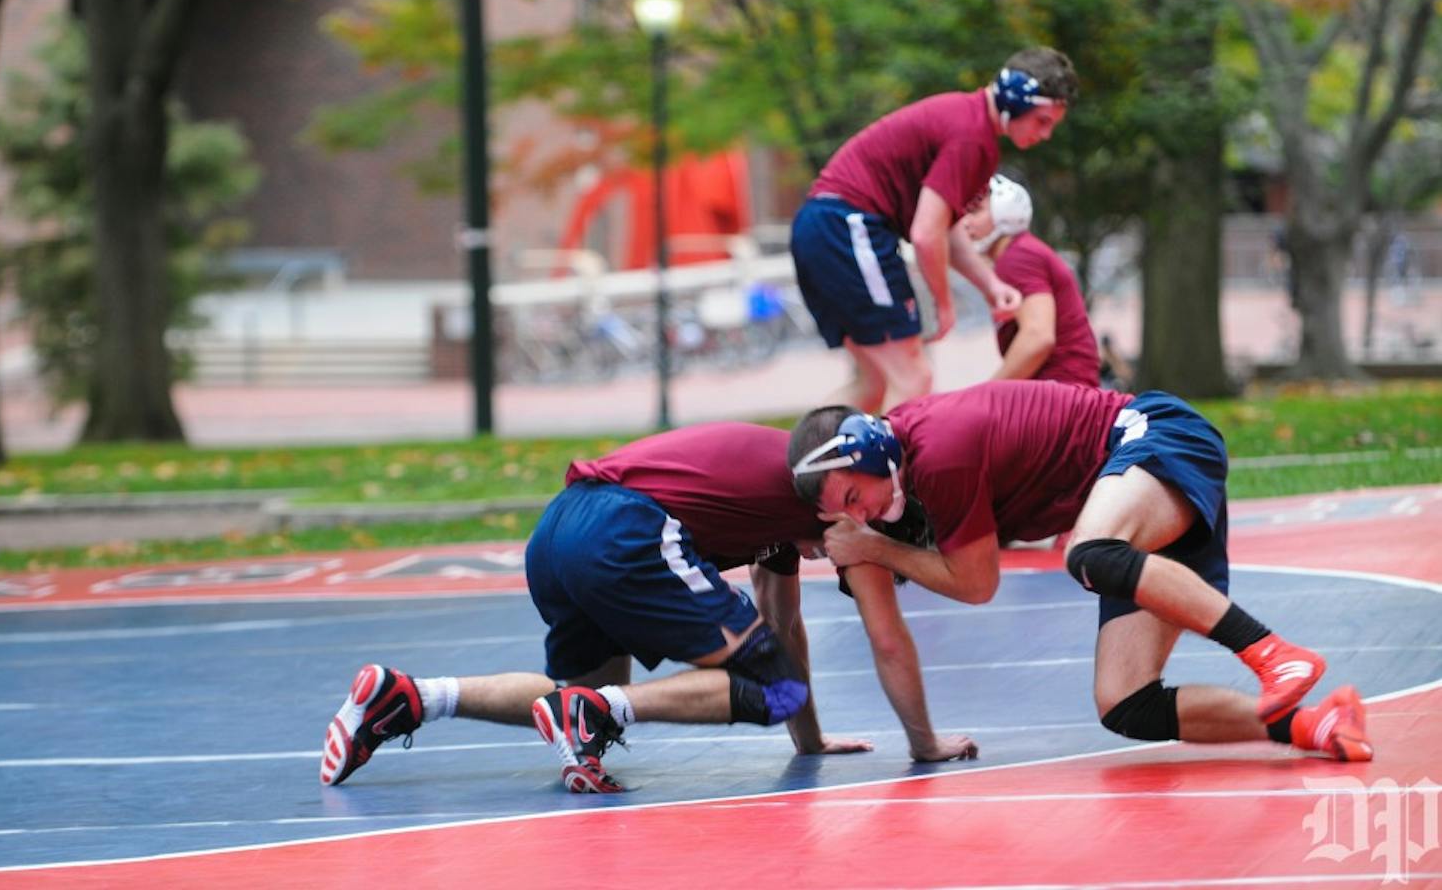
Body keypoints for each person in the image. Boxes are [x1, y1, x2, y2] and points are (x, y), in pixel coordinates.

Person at [786, 383, 1373, 764]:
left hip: (1156, 435)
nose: (861, 515)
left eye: (855, 495)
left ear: (866, 450)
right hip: (1135, 502)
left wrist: (876, 549)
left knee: (1088, 551)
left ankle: (1273, 653)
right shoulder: (908, 470)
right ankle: (1314, 725)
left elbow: (976, 583)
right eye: (847, 513)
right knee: (1125, 704)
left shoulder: (938, 453)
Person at [319, 423, 884, 795]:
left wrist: (810, 742)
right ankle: (598, 710)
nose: (843, 538)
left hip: (560, 528)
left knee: (578, 700)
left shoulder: (792, 512)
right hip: (621, 527)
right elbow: (779, 648)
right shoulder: (804, 493)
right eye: (858, 508)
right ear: (833, 489)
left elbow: (782, 622)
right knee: (773, 688)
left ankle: (410, 696)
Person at [789, 47, 1078, 412]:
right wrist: (944, 304)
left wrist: (989, 286)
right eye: (1042, 120)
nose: (1046, 134)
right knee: (913, 378)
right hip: (847, 228)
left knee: (875, 384)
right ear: (1015, 99)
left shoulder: (969, 124)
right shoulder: (972, 137)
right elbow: (927, 234)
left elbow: (945, 227)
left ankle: (804, 464)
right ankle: (891, 471)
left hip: (827, 227)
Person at [960, 174, 1100, 387]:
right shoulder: (1021, 252)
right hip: (1066, 387)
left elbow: (1038, 336)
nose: (965, 222)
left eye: (975, 212)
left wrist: (989, 392)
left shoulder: (1017, 257)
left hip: (1060, 390)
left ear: (1004, 212)